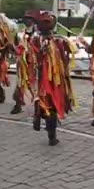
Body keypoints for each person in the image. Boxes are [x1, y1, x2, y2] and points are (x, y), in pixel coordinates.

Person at [32, 11, 77, 145]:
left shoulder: (59, 41)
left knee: (52, 104)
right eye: (44, 22)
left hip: (57, 80)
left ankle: (51, 132)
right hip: (44, 80)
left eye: (48, 22)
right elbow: (32, 59)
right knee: (47, 103)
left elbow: (66, 57)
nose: (45, 25)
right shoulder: (37, 41)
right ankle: (49, 130)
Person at [11, 10, 39, 114]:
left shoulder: (37, 34)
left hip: (33, 64)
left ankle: (38, 106)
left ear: (33, 20)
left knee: (33, 85)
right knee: (20, 83)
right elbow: (15, 47)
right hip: (21, 64)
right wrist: (13, 48)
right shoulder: (20, 33)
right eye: (26, 18)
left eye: (29, 18)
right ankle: (18, 104)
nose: (27, 20)